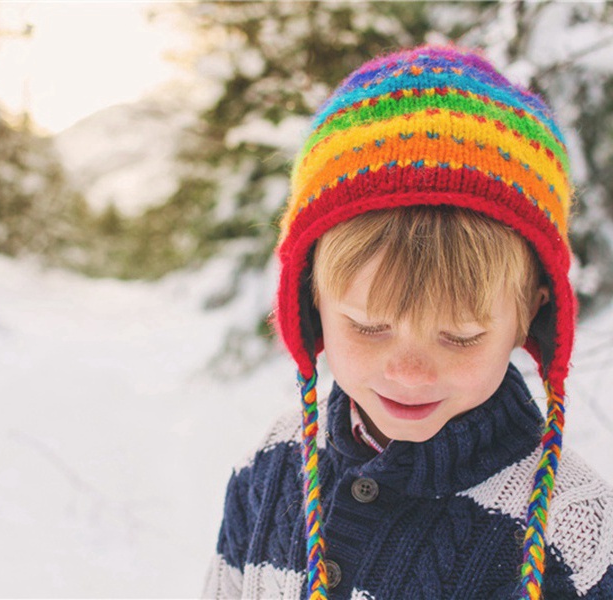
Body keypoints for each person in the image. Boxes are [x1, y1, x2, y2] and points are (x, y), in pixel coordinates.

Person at [202, 44, 613, 600]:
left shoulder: (573, 535)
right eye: (369, 326)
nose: (411, 374)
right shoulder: (274, 468)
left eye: (461, 337)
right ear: (313, 300)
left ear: (529, 315)